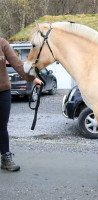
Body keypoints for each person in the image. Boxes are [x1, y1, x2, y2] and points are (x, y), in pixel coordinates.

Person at [0, 37, 41, 172]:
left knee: (2, 126)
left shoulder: (2, 43)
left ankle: (6, 158)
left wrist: (32, 78)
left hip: (3, 91)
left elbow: (17, 64)